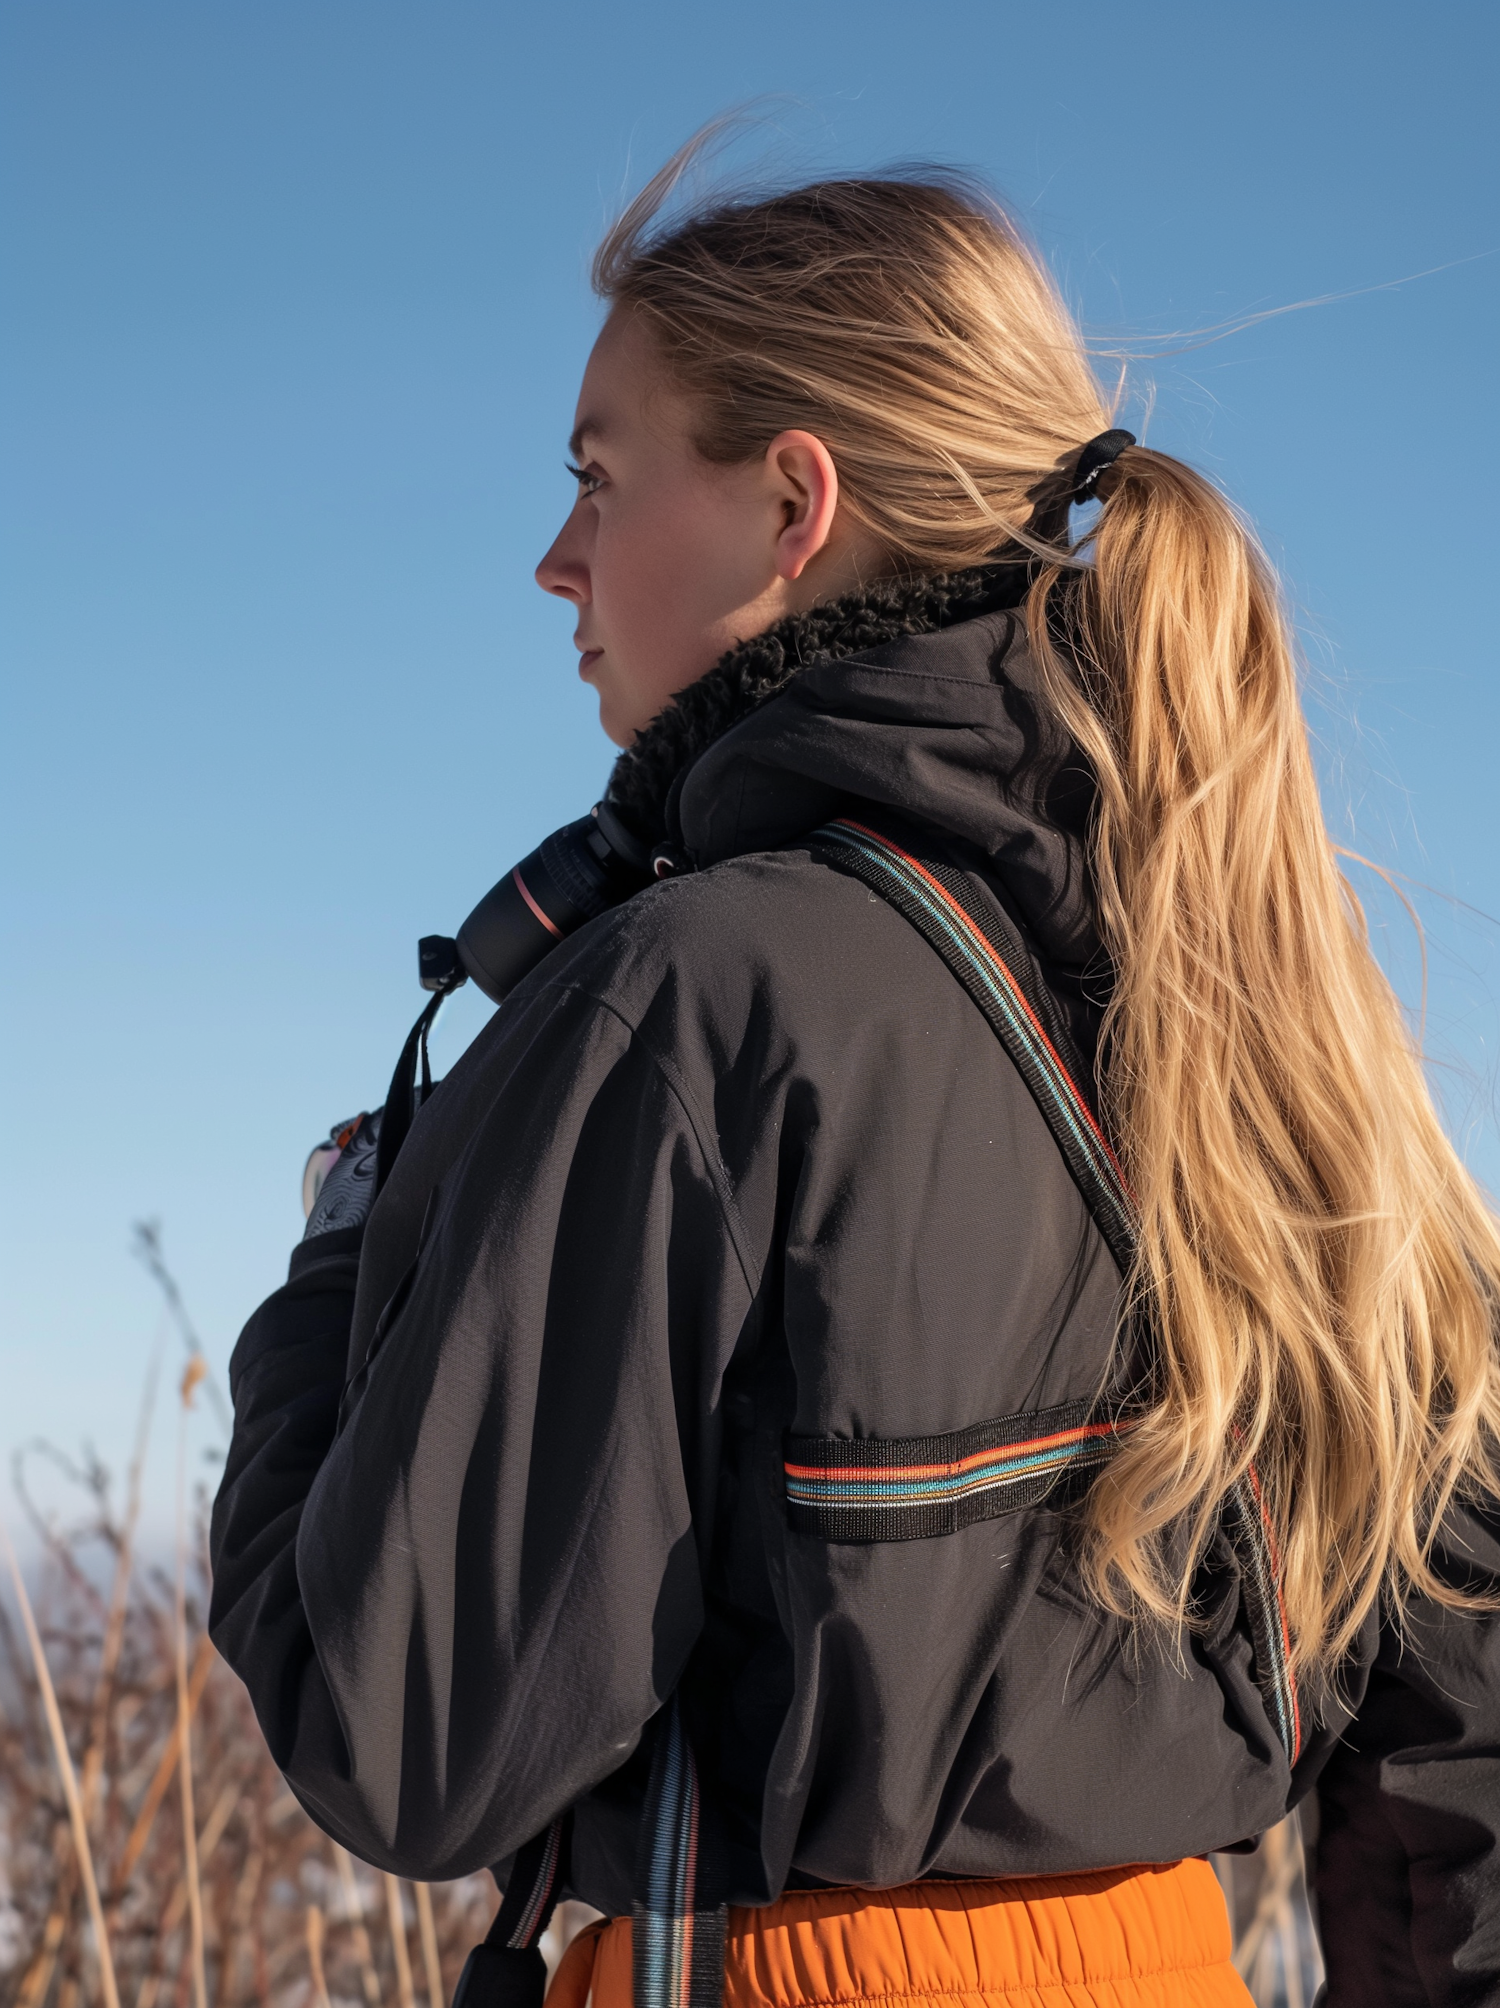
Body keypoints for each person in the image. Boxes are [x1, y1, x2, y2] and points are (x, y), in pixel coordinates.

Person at [210, 138, 1500, 2008]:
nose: (555, 558)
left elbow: (401, 1733)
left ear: (791, 505)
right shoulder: (1267, 1010)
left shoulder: (695, 998)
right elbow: (1458, 1703)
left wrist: (336, 1262)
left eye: (598, 476)